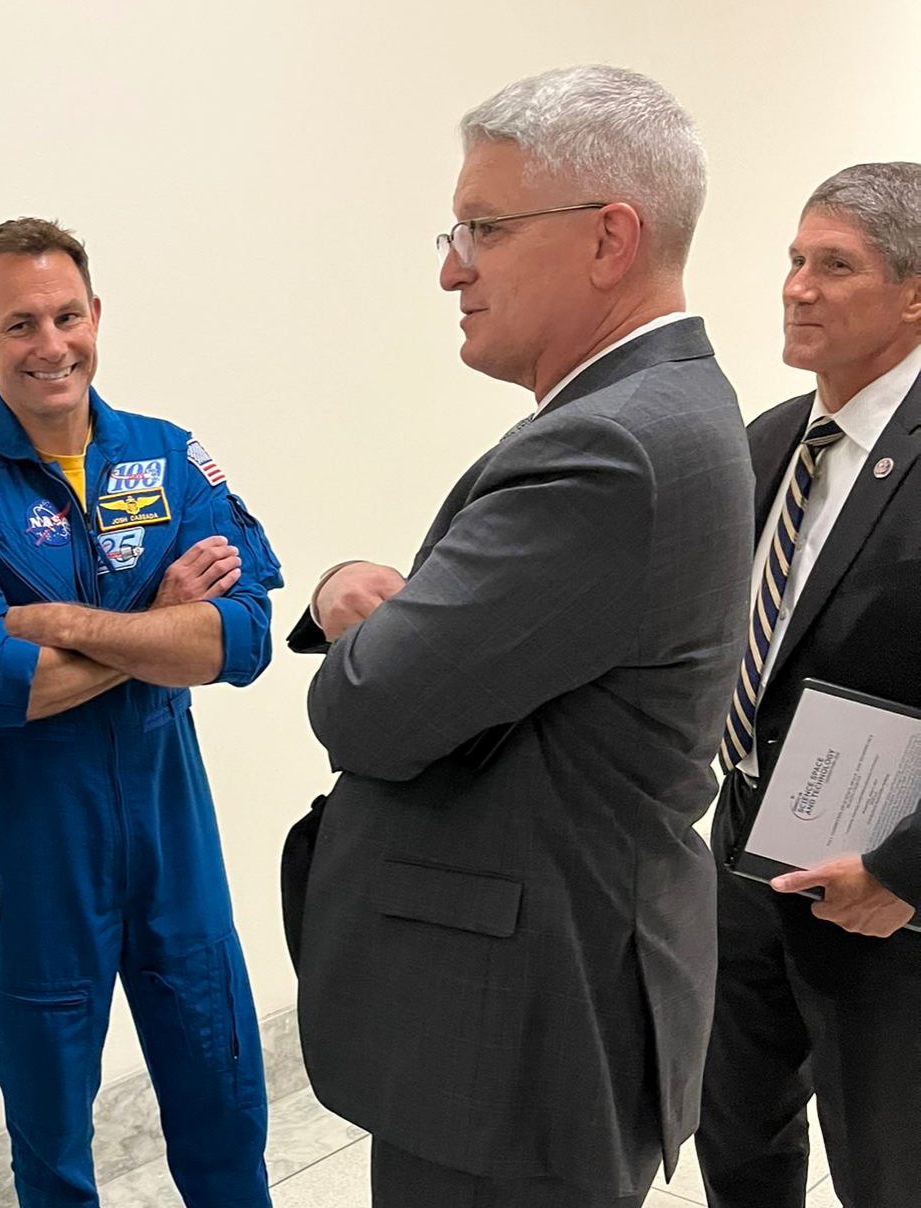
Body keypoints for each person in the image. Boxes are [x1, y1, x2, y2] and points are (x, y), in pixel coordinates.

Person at [284, 66, 754, 1207]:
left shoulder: (606, 450)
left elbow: (368, 709)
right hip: (552, 991)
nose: (451, 266)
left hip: (510, 1034)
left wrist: (363, 612)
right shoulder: (656, 413)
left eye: (483, 229)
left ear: (608, 238)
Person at [0, 218, 283, 1208]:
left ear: (95, 315)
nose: (49, 343)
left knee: (224, 1108)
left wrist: (73, 623)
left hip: (170, 833)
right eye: (19, 322)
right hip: (32, 847)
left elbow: (236, 641)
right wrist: (156, 620)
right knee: (53, 1143)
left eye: (66, 315)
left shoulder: (168, 455)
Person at [697, 162, 921, 1208]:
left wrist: (905, 868)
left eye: (833, 265)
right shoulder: (770, 440)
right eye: (792, 259)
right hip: (739, 857)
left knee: (888, 1161)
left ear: (912, 292)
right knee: (734, 1133)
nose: (794, 286)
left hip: (886, 897)